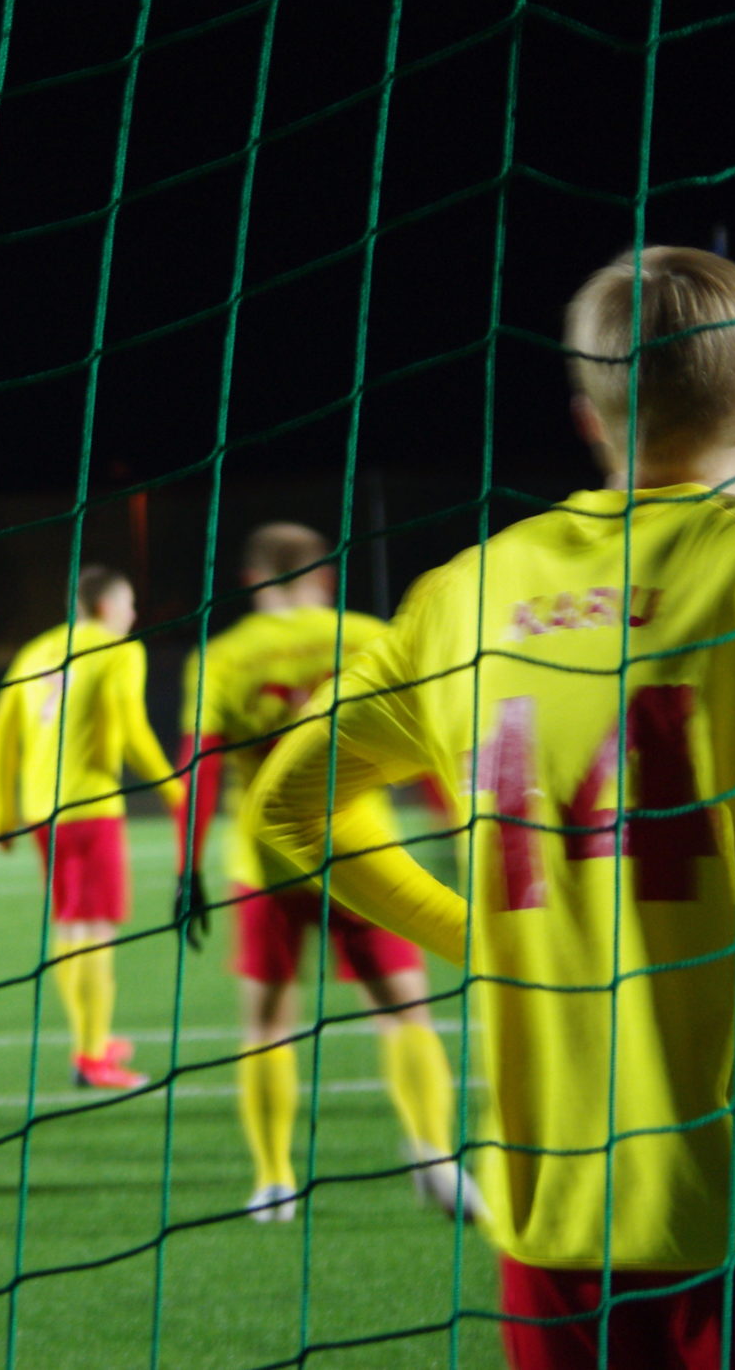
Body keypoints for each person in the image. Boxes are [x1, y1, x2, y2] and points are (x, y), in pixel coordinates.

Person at [249, 246, 735, 1368]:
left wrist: (476, 933)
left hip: (550, 1212)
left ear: (587, 417)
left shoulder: (461, 594)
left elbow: (287, 806)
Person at [179, 522, 476, 1223]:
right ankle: (434, 1155)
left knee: (266, 1025)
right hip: (363, 857)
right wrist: (453, 832)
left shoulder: (221, 657)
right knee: (405, 1012)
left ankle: (274, 1179)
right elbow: (433, 743)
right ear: (325, 575)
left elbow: (200, 768)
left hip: (265, 865)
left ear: (251, 580)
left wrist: (187, 868)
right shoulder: (367, 636)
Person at [0, 565, 184, 1090]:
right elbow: (133, 730)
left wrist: (0, 809)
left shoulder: (36, 651)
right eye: (129, 604)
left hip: (40, 812)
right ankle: (93, 1057)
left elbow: (0, 731)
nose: (133, 615)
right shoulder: (118, 650)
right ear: (106, 607)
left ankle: (89, 1040)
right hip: (90, 808)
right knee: (96, 932)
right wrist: (175, 791)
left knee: (71, 928)